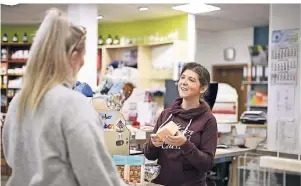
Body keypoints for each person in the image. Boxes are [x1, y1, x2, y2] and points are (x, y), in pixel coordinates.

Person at [2, 8, 125, 186]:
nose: (83, 62)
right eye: (83, 55)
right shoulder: (72, 104)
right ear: (73, 57)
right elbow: (97, 177)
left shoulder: (18, 101)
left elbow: (13, 159)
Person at [144, 62, 218, 186]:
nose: (183, 82)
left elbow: (207, 164)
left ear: (203, 88)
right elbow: (150, 155)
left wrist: (184, 144)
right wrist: (153, 144)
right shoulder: (166, 114)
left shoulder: (208, 120)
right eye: (182, 77)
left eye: (191, 80)